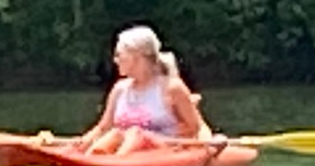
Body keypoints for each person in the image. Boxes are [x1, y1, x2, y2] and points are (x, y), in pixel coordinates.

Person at [72, 24, 211, 154]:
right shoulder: (119, 89)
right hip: (127, 148)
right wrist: (81, 142)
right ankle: (97, 158)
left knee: (135, 134)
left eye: (119, 55)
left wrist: (209, 147)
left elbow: (198, 127)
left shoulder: (172, 88)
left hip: (163, 151)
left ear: (136, 56)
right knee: (116, 134)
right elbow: (103, 128)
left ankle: (117, 163)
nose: (115, 60)